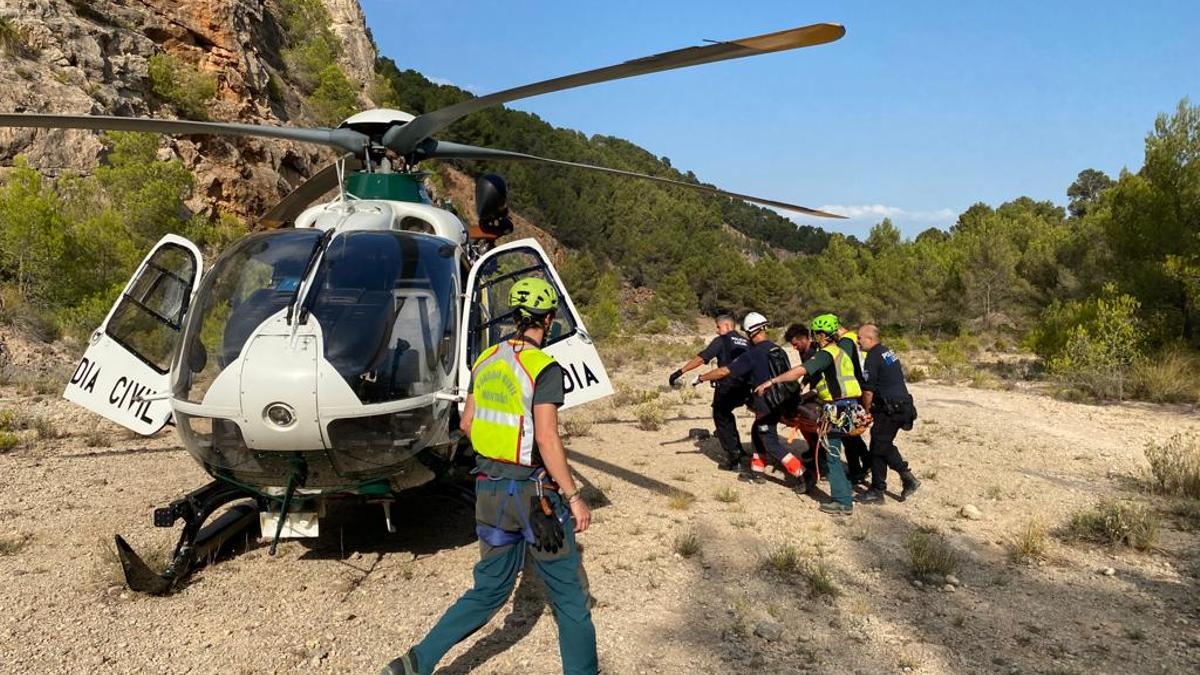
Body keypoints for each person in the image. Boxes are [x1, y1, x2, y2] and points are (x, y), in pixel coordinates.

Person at [383, 277, 597, 675]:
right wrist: (573, 496)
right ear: (548, 319)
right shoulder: (544, 368)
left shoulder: (486, 360)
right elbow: (547, 438)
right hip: (534, 497)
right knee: (569, 599)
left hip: (489, 493)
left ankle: (414, 663)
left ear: (515, 317)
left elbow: (466, 423)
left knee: (489, 590)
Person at [754, 314, 862, 516]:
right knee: (835, 452)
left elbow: (800, 371)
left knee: (832, 456)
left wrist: (772, 381)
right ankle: (845, 490)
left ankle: (842, 502)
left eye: (816, 334)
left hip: (837, 408)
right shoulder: (840, 351)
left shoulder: (826, 353)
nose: (815, 337)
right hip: (850, 406)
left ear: (821, 334)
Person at [696, 312, 805, 485]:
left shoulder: (753, 354)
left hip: (765, 403)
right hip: (781, 401)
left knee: (769, 441)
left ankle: (802, 474)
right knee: (756, 432)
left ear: (750, 333)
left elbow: (724, 371)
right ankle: (757, 471)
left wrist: (701, 378)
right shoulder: (779, 350)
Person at [669, 315, 751, 470]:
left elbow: (701, 358)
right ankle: (739, 449)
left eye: (718, 327)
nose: (716, 330)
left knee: (720, 415)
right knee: (727, 415)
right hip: (747, 387)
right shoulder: (746, 341)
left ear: (727, 326)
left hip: (727, 385)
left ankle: (735, 459)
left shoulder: (722, 340)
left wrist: (680, 371)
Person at [855, 324, 921, 504]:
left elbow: (868, 391)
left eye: (859, 338)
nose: (858, 341)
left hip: (891, 409)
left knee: (879, 445)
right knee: (879, 445)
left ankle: (901, 480)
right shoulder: (887, 352)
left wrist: (865, 411)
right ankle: (880, 487)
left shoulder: (872, 357)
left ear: (869, 339)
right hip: (902, 406)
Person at [833, 318, 871, 486]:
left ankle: (856, 471)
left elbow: (841, 367)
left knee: (847, 433)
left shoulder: (845, 343)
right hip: (860, 388)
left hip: (853, 392)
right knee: (852, 433)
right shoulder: (853, 338)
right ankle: (867, 461)